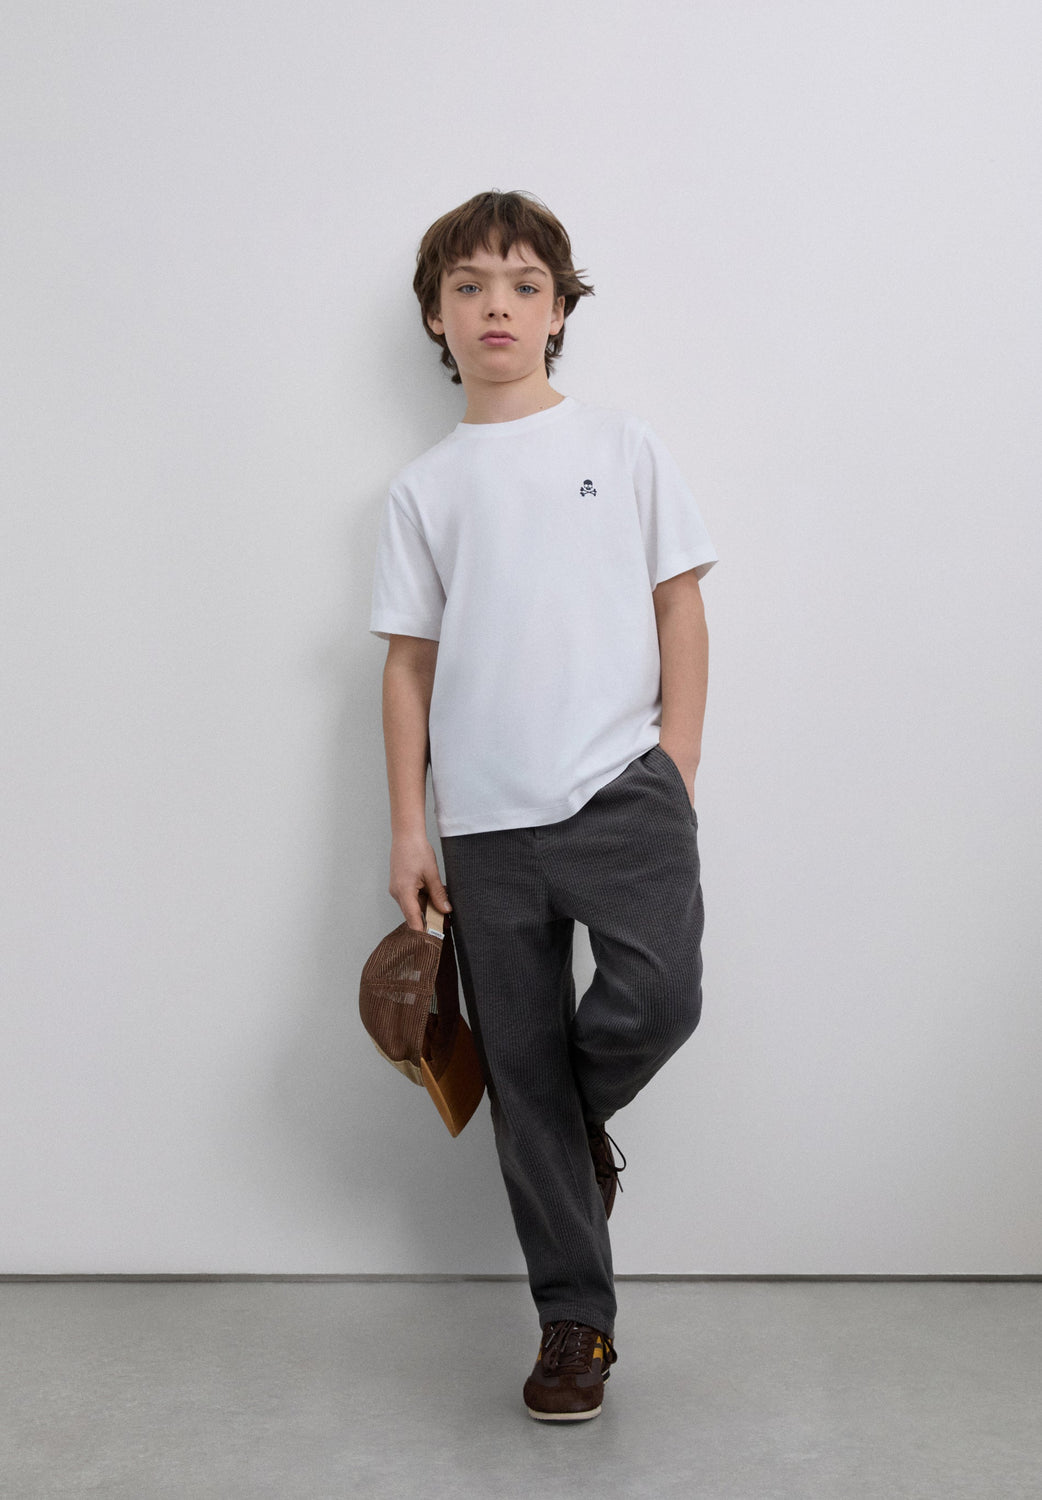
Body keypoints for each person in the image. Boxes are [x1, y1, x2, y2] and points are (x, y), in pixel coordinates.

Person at [368, 189, 717, 1422]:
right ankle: (575, 1324)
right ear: (435, 317)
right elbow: (408, 665)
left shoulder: (623, 447)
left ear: (560, 310)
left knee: (657, 1001)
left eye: (523, 285)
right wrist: (409, 828)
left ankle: (565, 1126)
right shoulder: (423, 489)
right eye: (467, 287)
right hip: (483, 827)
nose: (496, 307)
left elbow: (679, 603)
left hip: (623, 792)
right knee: (513, 1064)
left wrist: (675, 762)